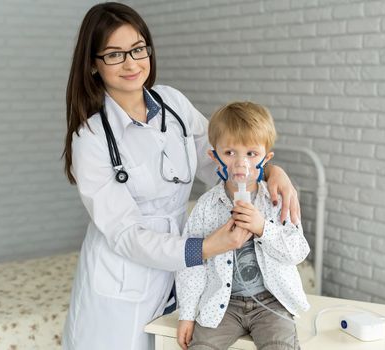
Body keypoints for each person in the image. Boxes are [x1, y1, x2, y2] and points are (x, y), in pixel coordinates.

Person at [61, 3, 301, 350]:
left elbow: (224, 162)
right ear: (93, 64)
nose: (131, 63)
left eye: (138, 48)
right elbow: (125, 234)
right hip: (126, 274)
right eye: (114, 54)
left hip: (185, 265)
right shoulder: (91, 137)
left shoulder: (172, 103)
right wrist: (204, 248)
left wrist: (273, 171)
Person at [176, 102, 310, 350]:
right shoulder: (206, 207)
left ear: (266, 158)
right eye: (229, 153)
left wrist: (263, 228)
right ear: (214, 156)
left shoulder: (275, 202)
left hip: (271, 303)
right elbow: (192, 265)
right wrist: (186, 315)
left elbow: (298, 251)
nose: (240, 164)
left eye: (251, 154)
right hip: (222, 305)